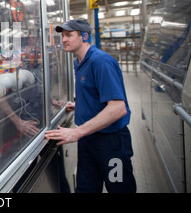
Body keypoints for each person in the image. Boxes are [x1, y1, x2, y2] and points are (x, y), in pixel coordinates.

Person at [45, 19, 136, 193]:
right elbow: (97, 95)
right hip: (88, 140)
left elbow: (118, 108)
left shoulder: (101, 62)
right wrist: (79, 105)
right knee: (86, 188)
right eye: (63, 35)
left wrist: (76, 132)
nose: (64, 39)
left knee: (119, 188)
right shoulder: (78, 62)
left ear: (85, 36)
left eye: (69, 35)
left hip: (110, 143)